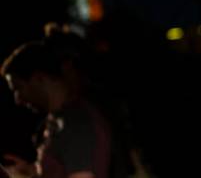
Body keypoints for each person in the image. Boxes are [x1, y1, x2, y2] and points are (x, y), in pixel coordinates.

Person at [2, 36, 118, 178]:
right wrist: (32, 172)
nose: (18, 99)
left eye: (18, 88)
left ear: (39, 78)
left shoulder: (76, 121)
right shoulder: (60, 120)